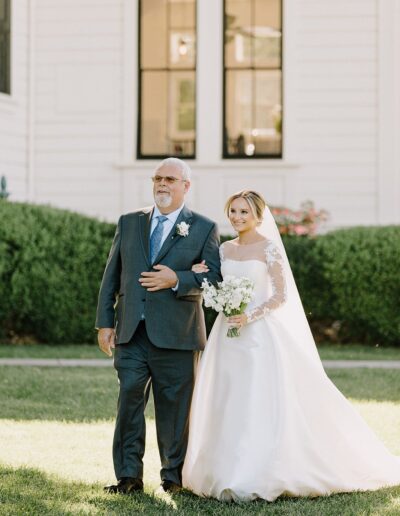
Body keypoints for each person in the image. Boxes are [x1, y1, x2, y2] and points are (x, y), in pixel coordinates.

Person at [182, 190, 400, 502]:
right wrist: (204, 280)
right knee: (226, 397)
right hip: (226, 335)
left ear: (258, 215)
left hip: (258, 335)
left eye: (244, 212)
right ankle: (222, 469)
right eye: (233, 211)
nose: (237, 217)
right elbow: (216, 282)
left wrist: (249, 315)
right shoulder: (225, 249)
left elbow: (279, 296)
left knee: (257, 398)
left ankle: (257, 470)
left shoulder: (268, 248)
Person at [95, 157, 221, 495]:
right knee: (129, 401)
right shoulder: (130, 222)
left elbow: (215, 278)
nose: (162, 184)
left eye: (169, 179)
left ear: (186, 186)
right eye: (157, 178)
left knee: (175, 410)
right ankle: (128, 477)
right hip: (131, 332)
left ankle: (173, 478)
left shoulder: (204, 227)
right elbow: (112, 275)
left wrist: (176, 279)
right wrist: (105, 322)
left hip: (178, 334)